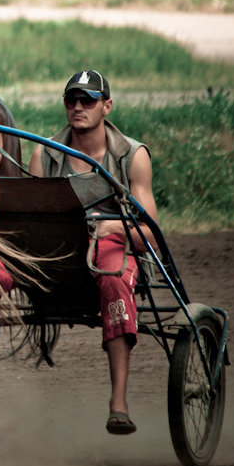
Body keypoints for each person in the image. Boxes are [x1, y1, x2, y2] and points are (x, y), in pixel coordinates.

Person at [27, 70, 158, 436]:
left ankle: (119, 403)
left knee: (114, 279)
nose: (78, 107)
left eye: (88, 100)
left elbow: (150, 233)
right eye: (72, 100)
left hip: (111, 246)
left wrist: (114, 226)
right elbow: (33, 224)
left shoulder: (133, 156)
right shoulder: (46, 154)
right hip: (57, 254)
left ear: (107, 106)